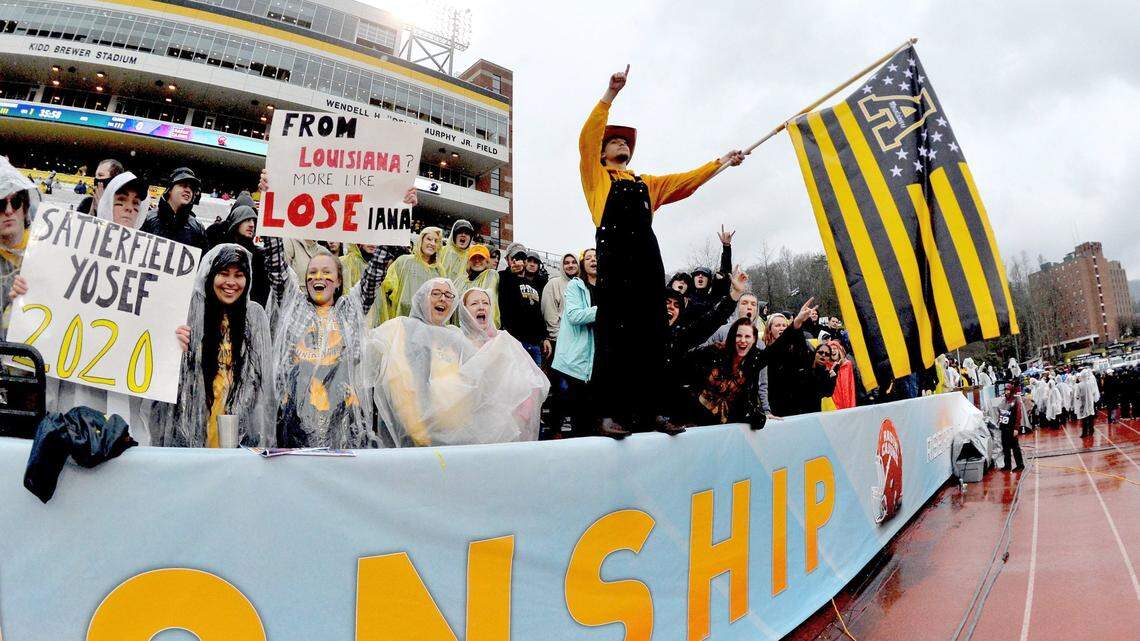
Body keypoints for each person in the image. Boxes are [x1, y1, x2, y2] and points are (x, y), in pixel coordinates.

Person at [580, 65, 745, 435]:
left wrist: (722, 163)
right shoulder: (596, 176)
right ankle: (607, 413)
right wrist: (610, 94)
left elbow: (686, 182)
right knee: (614, 341)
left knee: (653, 341)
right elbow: (587, 137)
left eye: (626, 143)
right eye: (616, 142)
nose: (623, 145)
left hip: (648, 266)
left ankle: (652, 412)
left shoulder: (646, 184)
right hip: (615, 266)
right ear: (604, 152)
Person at [264, 217, 407, 449]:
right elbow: (275, 266)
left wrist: (396, 211)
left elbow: (375, 274)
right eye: (312, 272)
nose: (318, 277)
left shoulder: (350, 310)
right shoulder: (295, 306)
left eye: (326, 272)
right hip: (296, 419)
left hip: (342, 418)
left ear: (339, 281)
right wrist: (270, 211)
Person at [368, 279, 547, 446]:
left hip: (453, 437)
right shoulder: (401, 327)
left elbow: (478, 381)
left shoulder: (454, 337)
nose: (443, 299)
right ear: (422, 298)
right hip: (415, 433)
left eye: (448, 295)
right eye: (436, 293)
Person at [149, 244, 276, 447]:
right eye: (224, 274)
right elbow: (158, 373)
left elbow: (263, 387)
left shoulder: (254, 317)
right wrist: (171, 344)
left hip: (237, 437)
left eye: (239, 275)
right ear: (209, 276)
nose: (231, 283)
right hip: (194, 433)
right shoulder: (189, 312)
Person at [683, 317, 766, 428]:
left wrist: (761, 413)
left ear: (754, 339)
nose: (743, 340)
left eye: (747, 336)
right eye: (738, 335)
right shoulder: (713, 352)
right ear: (732, 337)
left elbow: (777, 349)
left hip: (724, 425)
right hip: (694, 421)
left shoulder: (753, 361)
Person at [552, 248, 599, 437]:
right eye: (588, 258)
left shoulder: (609, 287)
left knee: (596, 412)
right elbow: (574, 315)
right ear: (583, 265)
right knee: (579, 411)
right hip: (578, 357)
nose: (593, 260)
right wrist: (604, 310)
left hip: (600, 356)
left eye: (597, 257)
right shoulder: (576, 286)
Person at [763, 299, 837, 417]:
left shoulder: (796, 350)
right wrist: (796, 323)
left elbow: (801, 346)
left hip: (802, 409)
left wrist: (830, 378)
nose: (782, 328)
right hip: (777, 410)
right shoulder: (765, 352)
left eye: (784, 325)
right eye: (777, 325)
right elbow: (776, 349)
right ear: (769, 329)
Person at [0, 157, 38, 337]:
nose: (8, 211)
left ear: (24, 207)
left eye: (15, 202)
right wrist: (7, 299)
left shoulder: (48, 247)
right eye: (0, 204)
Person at [380, 226, 444, 321]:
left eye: (436, 241)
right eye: (429, 239)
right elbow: (387, 288)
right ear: (421, 240)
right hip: (400, 319)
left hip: (426, 324)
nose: (432, 243)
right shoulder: (404, 261)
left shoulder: (439, 270)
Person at [498, 244, 544, 364]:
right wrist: (511, 273)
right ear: (507, 259)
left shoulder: (533, 284)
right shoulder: (502, 277)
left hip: (534, 344)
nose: (518, 261)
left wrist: (543, 338)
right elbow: (505, 303)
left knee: (536, 382)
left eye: (522, 257)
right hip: (514, 342)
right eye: (514, 257)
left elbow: (538, 313)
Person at [140, 167, 207, 250]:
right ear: (169, 189)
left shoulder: (198, 228)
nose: (188, 190)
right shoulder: (147, 219)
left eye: (192, 188)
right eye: (183, 185)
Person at [219, 203, 270, 308]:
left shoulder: (260, 255)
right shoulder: (221, 251)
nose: (252, 224)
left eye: (254, 221)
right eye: (247, 220)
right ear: (236, 223)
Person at [541, 253, 580, 359]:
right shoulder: (554, 284)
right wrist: (559, 338)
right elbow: (549, 314)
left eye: (574, 262)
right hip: (559, 342)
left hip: (579, 343)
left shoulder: (582, 285)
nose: (570, 265)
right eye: (566, 263)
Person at [454, 244, 500, 328]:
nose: (477, 260)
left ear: (487, 261)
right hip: (459, 331)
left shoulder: (491, 275)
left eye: (481, 257)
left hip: (483, 332)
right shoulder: (459, 281)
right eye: (473, 257)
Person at [994, 384, 1026, 471]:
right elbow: (1000, 411)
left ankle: (1020, 465)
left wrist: (1016, 428)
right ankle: (1007, 465)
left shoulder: (1016, 401)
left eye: (1008, 390)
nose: (1006, 392)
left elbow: (1018, 416)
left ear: (1011, 391)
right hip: (1004, 428)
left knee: (1015, 447)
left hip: (1012, 428)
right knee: (1005, 448)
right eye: (1005, 390)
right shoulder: (1004, 401)